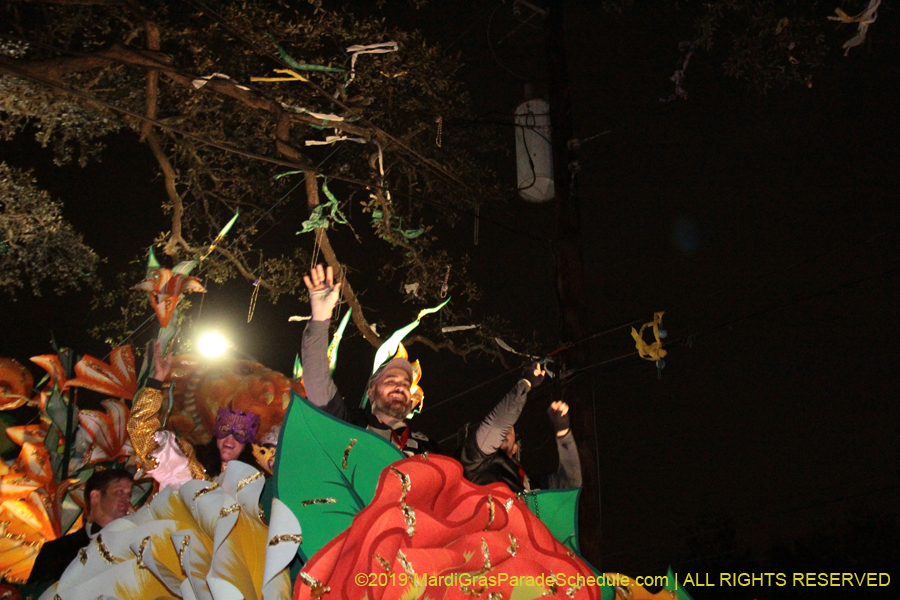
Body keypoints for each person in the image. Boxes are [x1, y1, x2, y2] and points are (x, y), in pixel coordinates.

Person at [301, 265, 438, 456]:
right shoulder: (349, 424)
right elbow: (316, 382)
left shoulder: (427, 447)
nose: (400, 387)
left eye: (406, 384)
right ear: (371, 393)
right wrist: (319, 318)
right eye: (391, 381)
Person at [128, 341, 260, 490]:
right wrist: (157, 380)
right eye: (225, 430)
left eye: (240, 433)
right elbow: (141, 431)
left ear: (247, 442)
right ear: (216, 433)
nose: (230, 438)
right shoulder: (184, 465)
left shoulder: (253, 485)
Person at [460, 362, 582, 493]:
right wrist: (526, 382)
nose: (505, 432)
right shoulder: (473, 463)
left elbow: (570, 486)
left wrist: (563, 432)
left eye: (510, 430)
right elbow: (495, 427)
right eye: (505, 429)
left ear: (515, 448)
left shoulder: (529, 483)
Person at [27, 469, 133, 585]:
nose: (127, 499)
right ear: (95, 497)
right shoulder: (56, 551)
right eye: (120, 492)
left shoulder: (134, 546)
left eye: (129, 494)